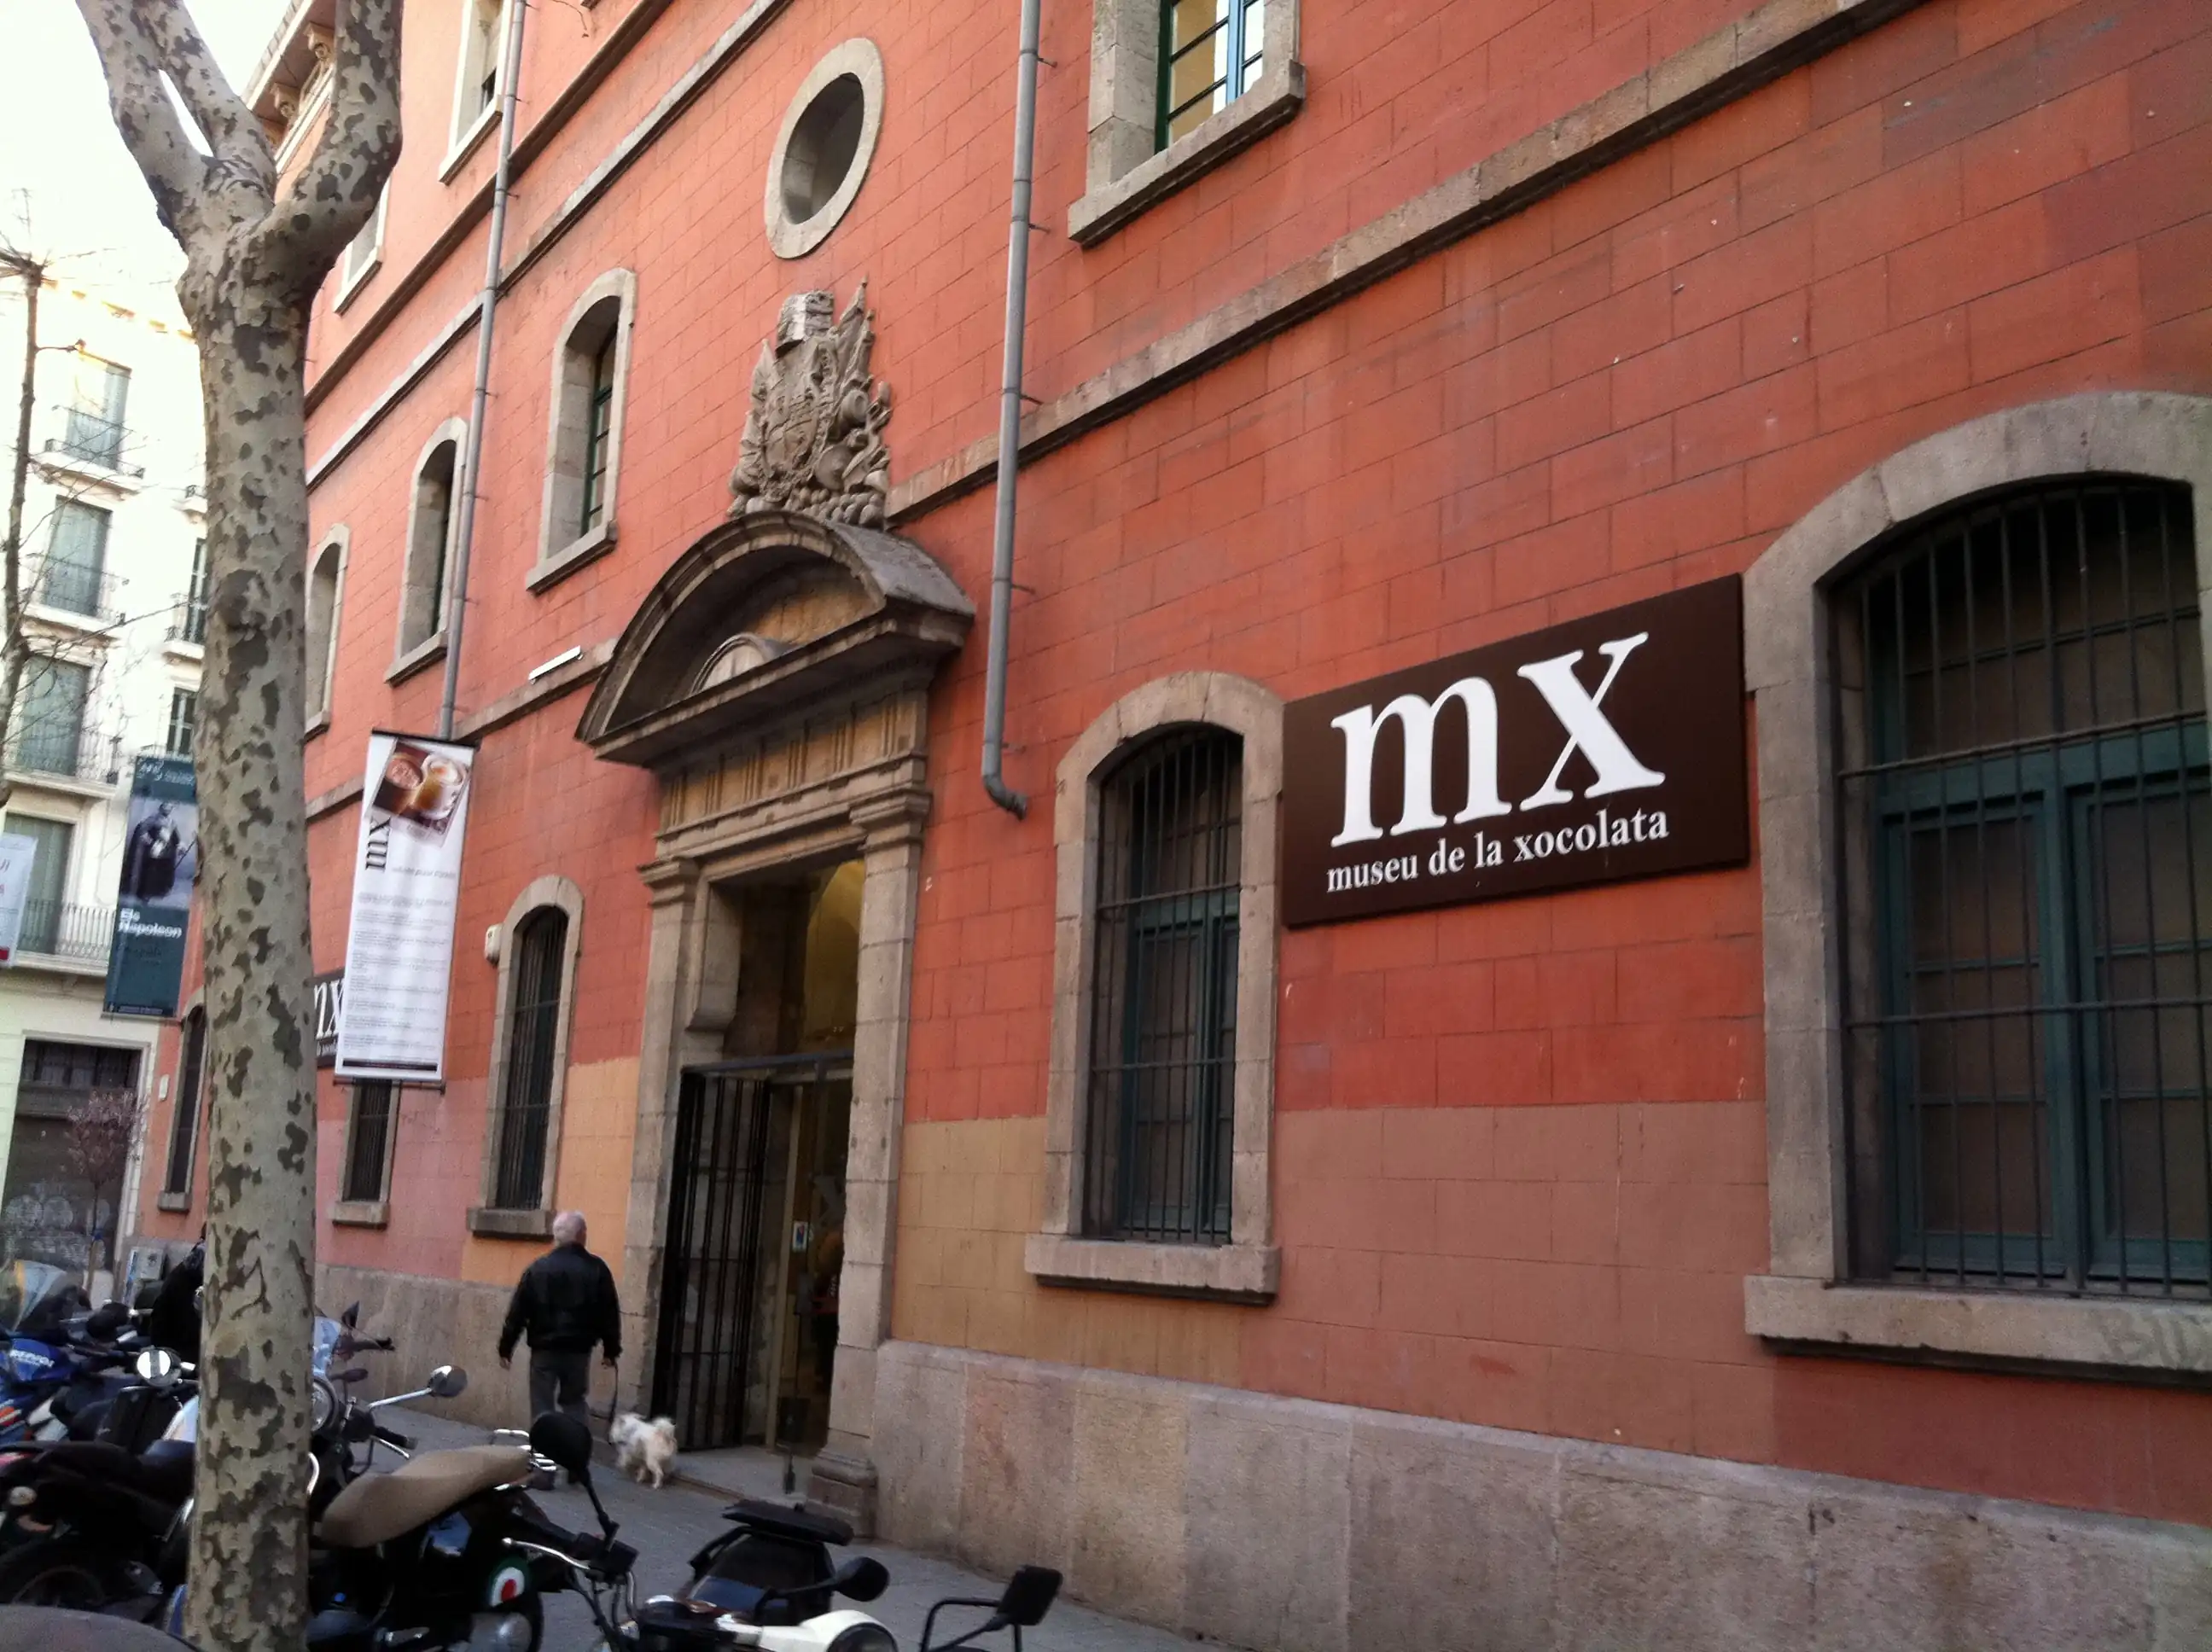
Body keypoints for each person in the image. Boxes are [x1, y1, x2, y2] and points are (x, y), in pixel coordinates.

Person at [497, 1210, 621, 1434]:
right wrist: (611, 1350)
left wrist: (506, 1347)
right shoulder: (597, 1269)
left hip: (544, 1349)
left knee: (542, 1405)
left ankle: (543, 1453)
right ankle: (577, 1451)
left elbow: (518, 1312)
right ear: (581, 1235)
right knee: (574, 1403)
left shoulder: (538, 1268)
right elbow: (609, 1312)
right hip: (578, 1349)